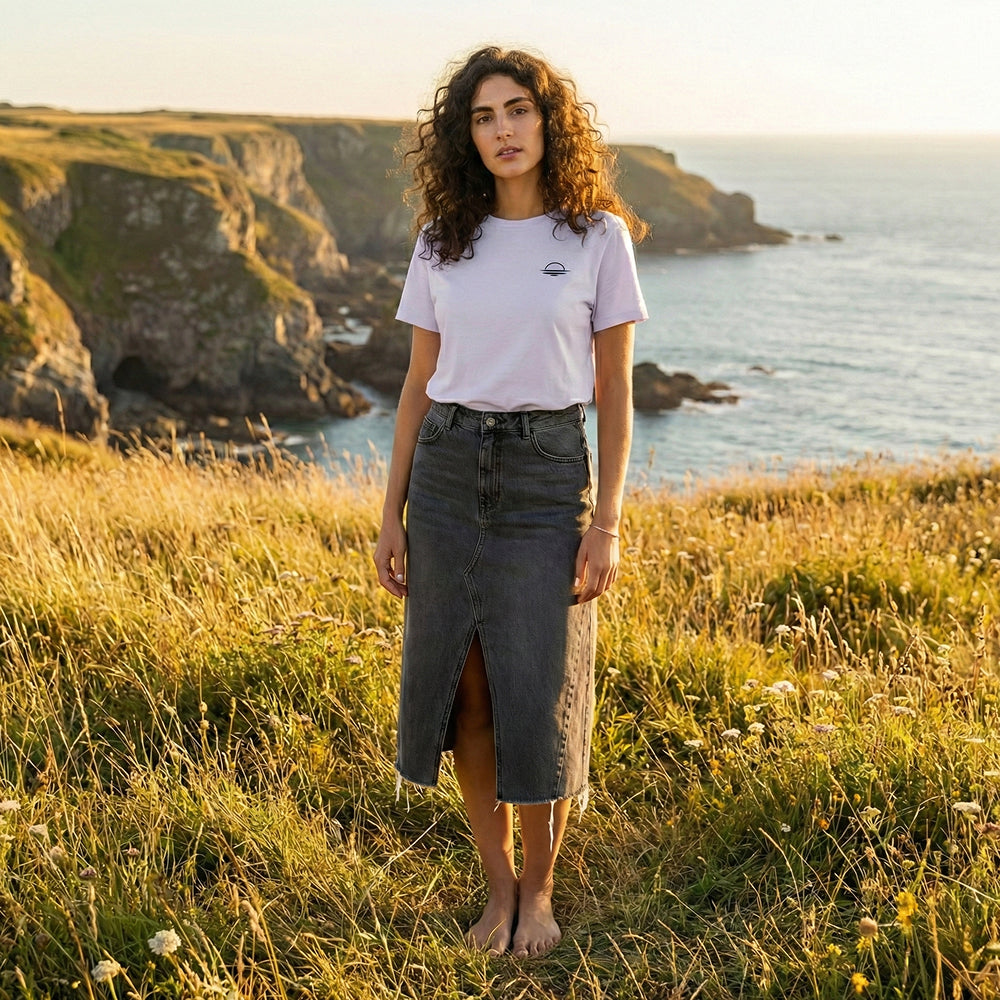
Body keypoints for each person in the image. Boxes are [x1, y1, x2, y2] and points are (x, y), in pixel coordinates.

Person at [374, 45, 647, 958]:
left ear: (549, 119)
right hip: (448, 471)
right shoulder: (442, 239)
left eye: (518, 110)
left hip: (545, 476)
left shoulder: (597, 237)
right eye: (484, 117)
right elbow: (418, 383)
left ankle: (542, 890)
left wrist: (606, 521)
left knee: (543, 690)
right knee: (470, 690)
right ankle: (497, 889)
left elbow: (615, 390)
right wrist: (390, 513)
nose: (503, 131)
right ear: (467, 135)